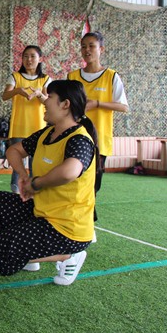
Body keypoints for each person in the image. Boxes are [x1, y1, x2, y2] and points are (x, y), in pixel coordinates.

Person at [0, 80, 98, 285]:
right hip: (43, 212)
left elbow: (70, 171)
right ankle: (31, 254)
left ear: (65, 104)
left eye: (49, 97)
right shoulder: (47, 134)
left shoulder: (79, 139)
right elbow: (14, 150)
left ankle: (70, 256)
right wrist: (23, 175)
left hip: (67, 227)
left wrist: (36, 184)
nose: (45, 101)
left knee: (2, 249)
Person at [68, 31, 129, 225]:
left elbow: (123, 107)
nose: (87, 50)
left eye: (91, 46)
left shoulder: (111, 76)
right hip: (74, 138)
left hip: (99, 140)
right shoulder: (73, 76)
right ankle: (74, 222)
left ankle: (86, 224)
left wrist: (98, 104)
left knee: (93, 185)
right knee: (73, 181)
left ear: (101, 49)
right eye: (83, 46)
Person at [2, 45, 52, 194]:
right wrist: (18, 90)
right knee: (17, 163)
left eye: (32, 56)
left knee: (35, 163)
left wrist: (39, 94)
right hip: (19, 126)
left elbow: (49, 102)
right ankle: (16, 192)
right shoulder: (15, 77)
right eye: (25, 56)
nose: (29, 60)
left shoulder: (45, 79)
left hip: (38, 127)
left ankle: (33, 192)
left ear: (40, 59)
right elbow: (5, 96)